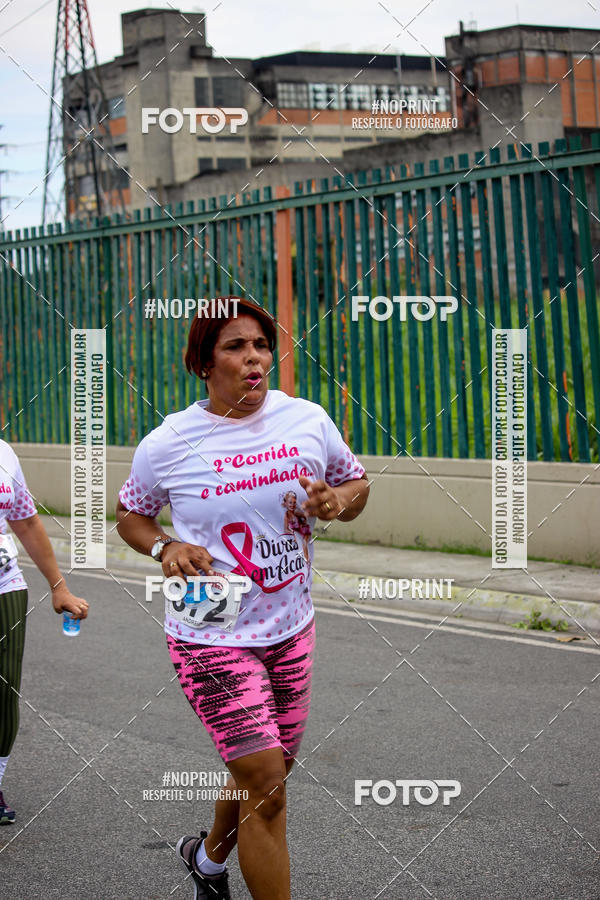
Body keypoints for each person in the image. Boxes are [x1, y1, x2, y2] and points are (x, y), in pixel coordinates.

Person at [115, 297, 369, 900]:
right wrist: (165, 547)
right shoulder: (169, 442)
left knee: (267, 777)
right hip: (210, 629)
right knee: (267, 787)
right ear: (204, 363)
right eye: (235, 346)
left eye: (260, 344)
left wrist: (338, 499)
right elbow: (130, 516)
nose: (254, 357)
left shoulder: (305, 418)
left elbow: (356, 483)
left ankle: (205, 860)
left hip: (291, 626)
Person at [0, 440, 88, 824]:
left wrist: (59, 586)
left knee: (4, 693)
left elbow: (26, 521)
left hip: (5, 586)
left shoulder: (4, 454)